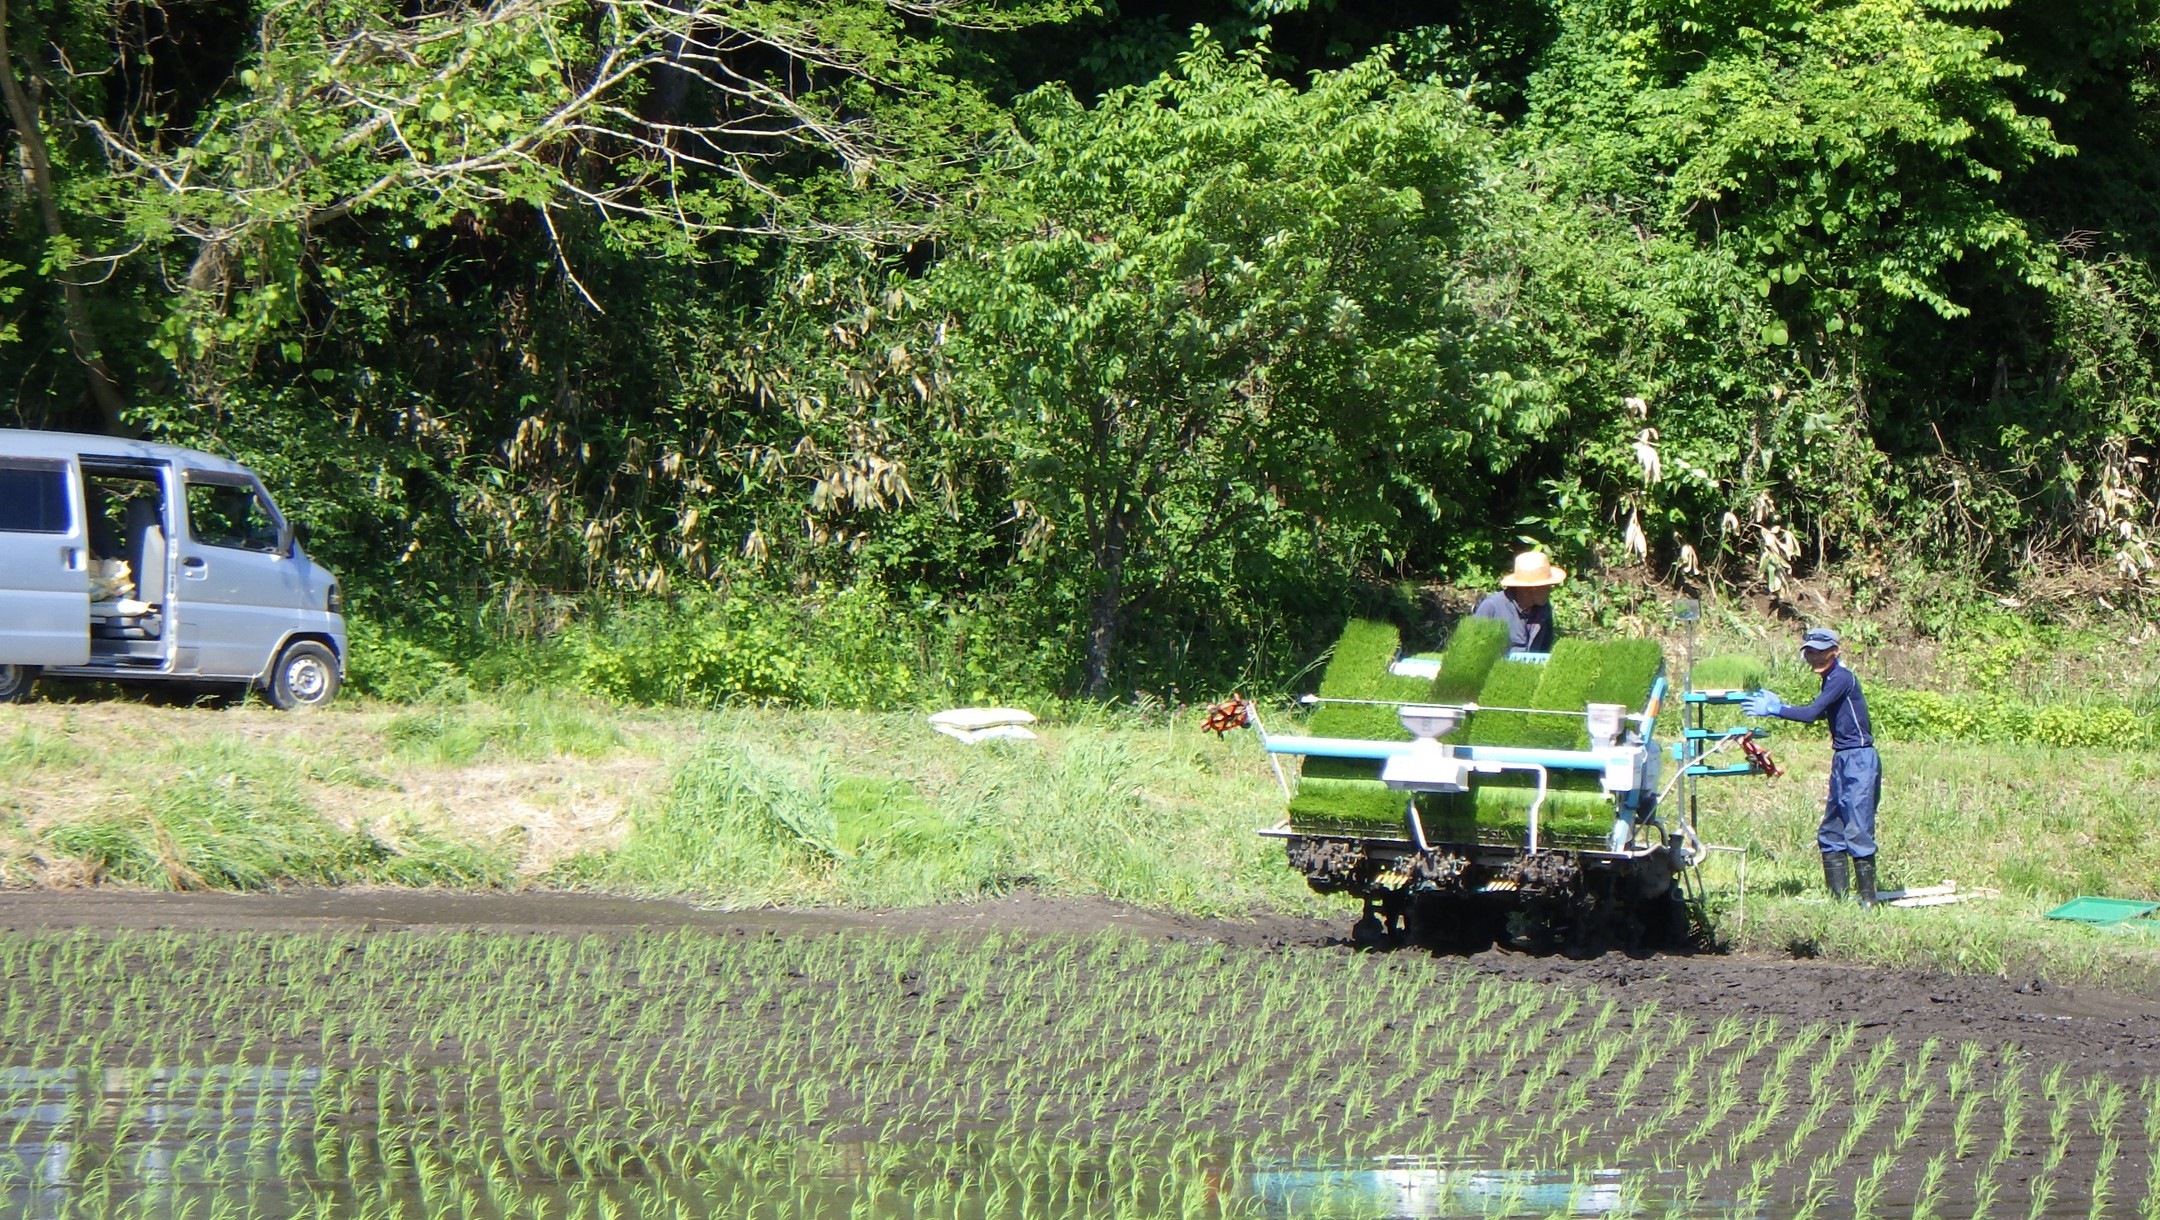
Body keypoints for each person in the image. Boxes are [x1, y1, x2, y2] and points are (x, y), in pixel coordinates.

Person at [1743, 627, 1882, 906]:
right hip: (1843, 758)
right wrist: (1783, 706)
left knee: (1858, 825)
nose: (1815, 657)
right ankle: (1839, 900)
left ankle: (1869, 901)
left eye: (1821, 651)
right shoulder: (1830, 678)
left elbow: (1811, 714)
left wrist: (1776, 709)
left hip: (1859, 759)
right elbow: (1822, 713)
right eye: (1810, 652)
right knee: (1832, 828)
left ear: (1835, 651)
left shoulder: (1842, 678)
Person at [1472, 550, 1565, 654]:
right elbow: (1473, 650)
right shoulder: (1492, 607)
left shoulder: (1544, 608)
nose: (1550, 590)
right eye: (1546, 586)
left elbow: (1545, 650)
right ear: (1529, 589)